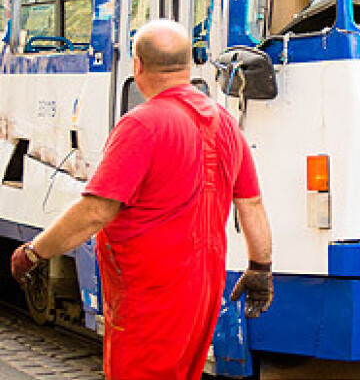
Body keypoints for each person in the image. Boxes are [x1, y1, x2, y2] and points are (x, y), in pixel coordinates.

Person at [10, 19, 273, 380]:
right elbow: (252, 204)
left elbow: (95, 211)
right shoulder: (225, 123)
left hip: (150, 293)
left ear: (137, 65)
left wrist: (34, 252)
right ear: (189, 65)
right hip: (204, 289)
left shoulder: (142, 125)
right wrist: (260, 269)